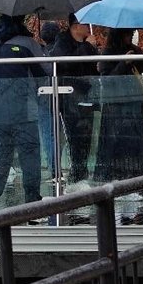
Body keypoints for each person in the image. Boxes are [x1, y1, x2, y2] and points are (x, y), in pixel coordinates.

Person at [0, 14, 49, 214]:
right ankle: (32, 205)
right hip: (25, 111)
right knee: (30, 156)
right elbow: (45, 71)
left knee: (2, 157)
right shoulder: (28, 44)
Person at [94, 28, 143, 184]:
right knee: (115, 145)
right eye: (128, 33)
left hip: (133, 105)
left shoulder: (134, 51)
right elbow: (107, 80)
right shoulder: (108, 54)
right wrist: (123, 63)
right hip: (115, 106)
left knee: (133, 144)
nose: (131, 36)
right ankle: (116, 177)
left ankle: (134, 177)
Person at [49, 15, 99, 184]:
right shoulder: (62, 42)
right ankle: (76, 175)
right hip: (69, 97)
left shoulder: (88, 45)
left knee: (87, 136)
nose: (88, 28)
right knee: (75, 137)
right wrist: (87, 46)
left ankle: (81, 173)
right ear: (75, 26)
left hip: (87, 95)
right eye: (85, 24)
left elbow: (94, 68)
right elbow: (64, 63)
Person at [38, 21, 61, 171]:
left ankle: (54, 168)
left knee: (48, 135)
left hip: (44, 100)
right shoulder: (61, 51)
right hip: (61, 98)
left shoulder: (41, 53)